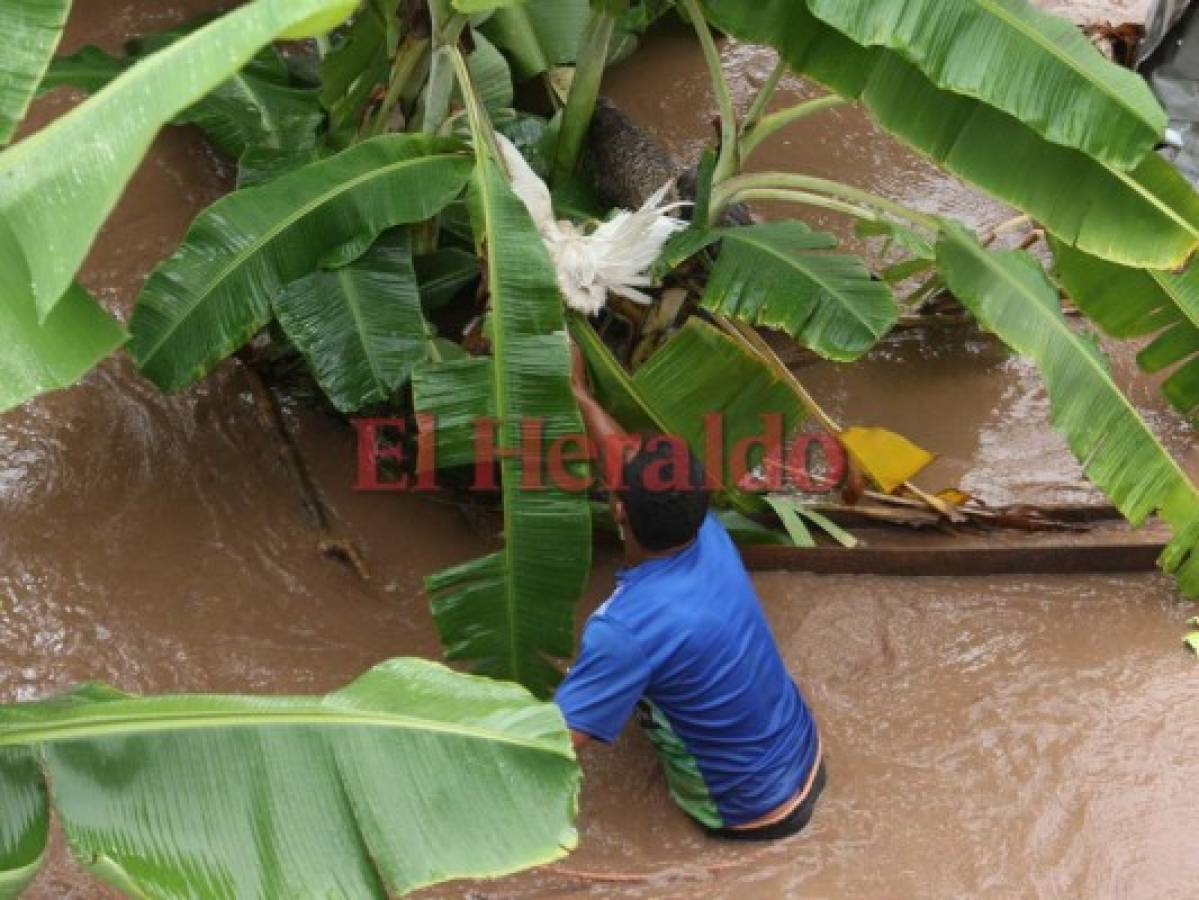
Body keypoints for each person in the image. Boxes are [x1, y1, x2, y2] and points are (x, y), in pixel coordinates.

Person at [555, 344, 825, 841]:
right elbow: (625, 468)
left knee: (610, 688)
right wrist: (580, 394)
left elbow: (554, 741)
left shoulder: (623, 628)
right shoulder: (706, 532)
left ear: (618, 512)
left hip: (748, 811)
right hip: (806, 756)